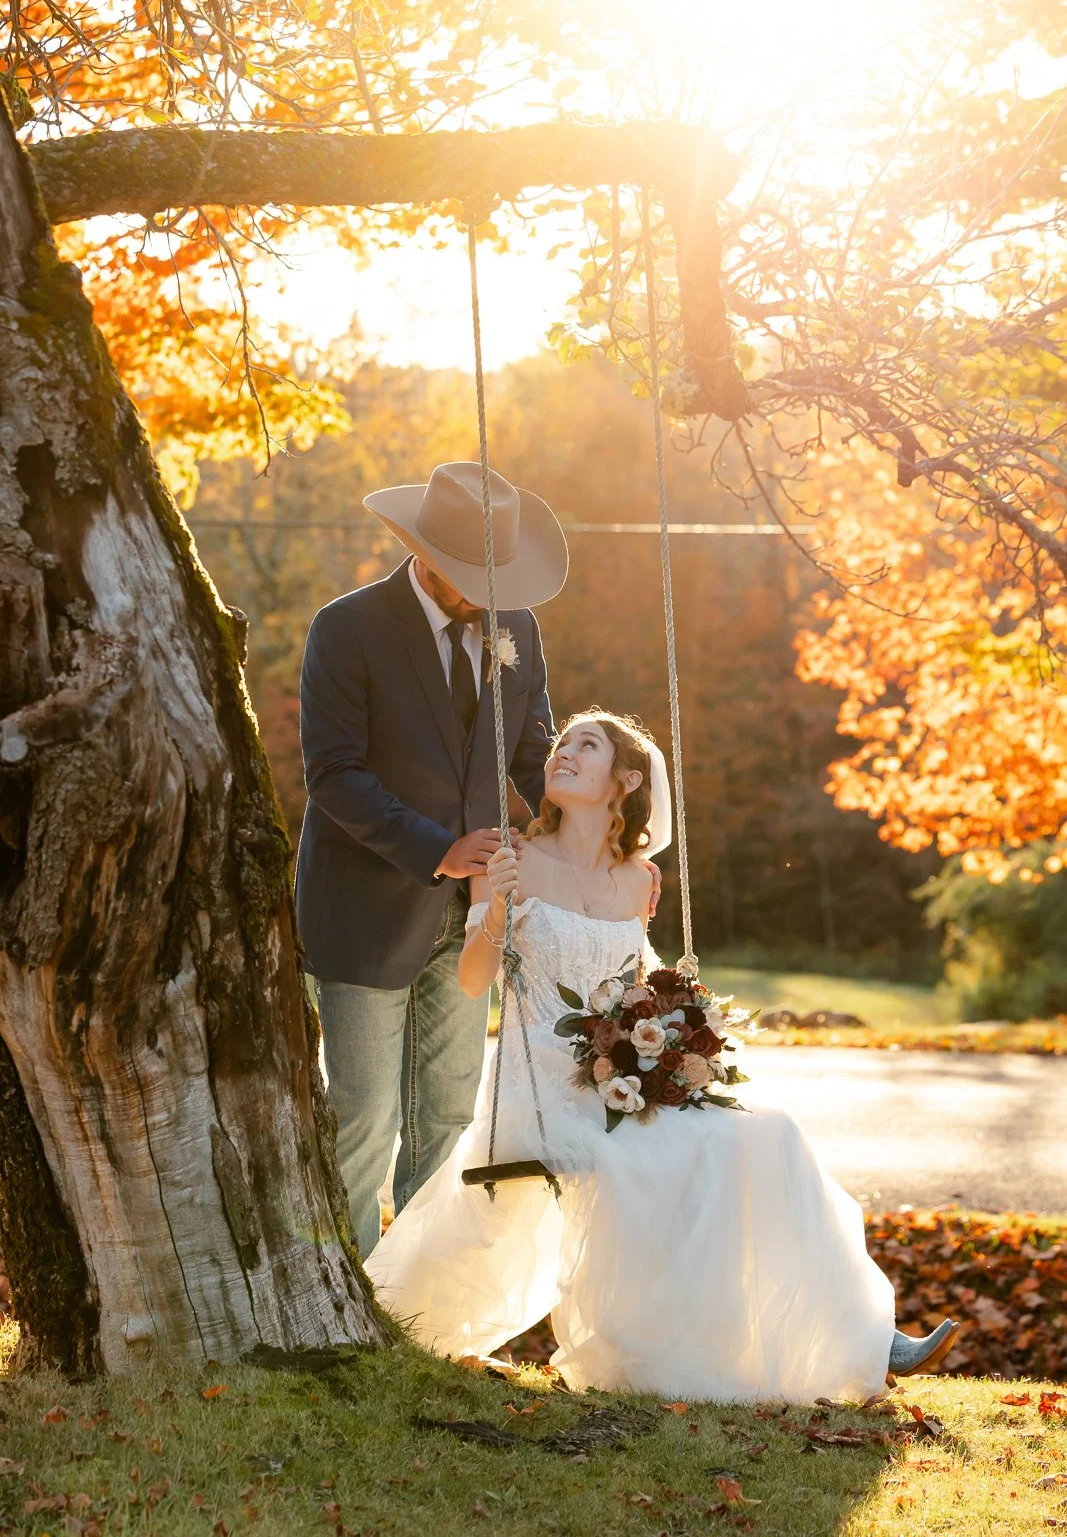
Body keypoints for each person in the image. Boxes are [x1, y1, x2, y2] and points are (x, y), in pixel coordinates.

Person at [366, 711, 960, 1403]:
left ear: (624, 780)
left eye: (583, 746)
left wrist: (680, 1043)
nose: (562, 754)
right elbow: (472, 982)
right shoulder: (508, 857)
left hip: (622, 1080)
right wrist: (495, 907)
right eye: (560, 745)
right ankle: (644, 1352)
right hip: (540, 1089)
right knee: (642, 1162)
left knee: (767, 1134)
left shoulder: (634, 879)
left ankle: (861, 1337)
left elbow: (635, 986)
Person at [295, 461, 567, 1256]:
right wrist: (436, 850)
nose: (488, 595)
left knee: (447, 1115)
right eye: (472, 577)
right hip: (364, 911)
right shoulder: (346, 628)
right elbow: (332, 774)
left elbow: (533, 752)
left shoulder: (517, 625)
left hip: (476, 917)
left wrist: (592, 839)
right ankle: (348, 1293)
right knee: (363, 1118)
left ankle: (421, 1300)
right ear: (425, 556)